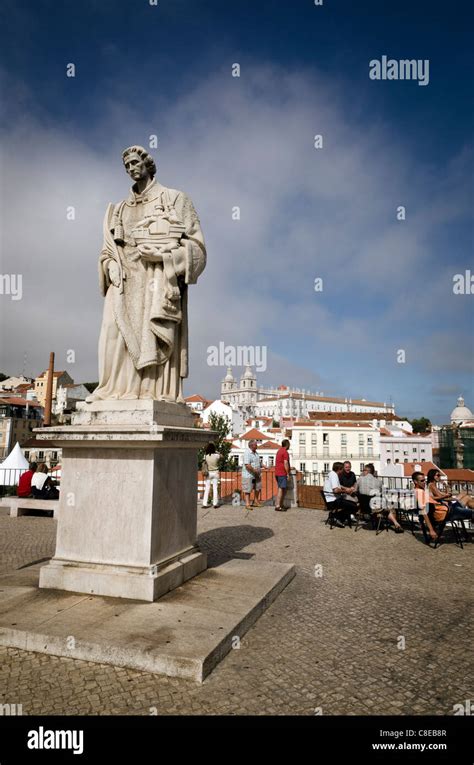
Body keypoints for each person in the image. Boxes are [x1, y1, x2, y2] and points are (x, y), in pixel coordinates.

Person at [86, 145, 206, 403]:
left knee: (151, 334)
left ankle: (153, 391)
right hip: (122, 282)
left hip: (157, 278)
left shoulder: (174, 198)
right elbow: (106, 251)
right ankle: (112, 390)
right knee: (111, 331)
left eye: (134, 163)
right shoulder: (117, 209)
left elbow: (197, 248)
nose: (130, 168)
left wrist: (167, 257)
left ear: (147, 164)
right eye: (126, 165)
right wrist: (109, 266)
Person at [359, 463, 404, 533]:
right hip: (374, 508)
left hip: (363, 507)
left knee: (379, 504)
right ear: (373, 472)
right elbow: (381, 493)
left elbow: (355, 490)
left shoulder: (359, 479)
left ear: (367, 471)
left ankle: (377, 523)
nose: (362, 472)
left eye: (363, 470)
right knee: (389, 506)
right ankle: (396, 523)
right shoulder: (379, 481)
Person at [323, 462, 356, 526]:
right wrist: (345, 491)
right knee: (353, 506)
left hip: (329, 499)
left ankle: (338, 517)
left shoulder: (330, 474)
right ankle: (335, 516)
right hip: (333, 501)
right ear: (339, 469)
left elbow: (337, 487)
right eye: (342, 469)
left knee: (350, 502)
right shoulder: (334, 476)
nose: (343, 470)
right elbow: (335, 490)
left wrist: (345, 489)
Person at [412, 471, 438, 541]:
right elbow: (423, 511)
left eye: (425, 480)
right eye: (422, 480)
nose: (424, 482)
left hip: (442, 509)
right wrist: (431, 530)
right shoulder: (419, 492)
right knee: (466, 499)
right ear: (415, 481)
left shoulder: (419, 490)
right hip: (444, 512)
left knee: (465, 498)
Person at [242, 439, 262, 510]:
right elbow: (247, 465)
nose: (257, 446)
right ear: (251, 445)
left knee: (258, 488)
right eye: (256, 444)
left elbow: (258, 462)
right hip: (249, 475)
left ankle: (256, 501)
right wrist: (254, 471)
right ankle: (247, 504)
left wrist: (263, 466)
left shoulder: (256, 453)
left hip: (257, 475)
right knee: (248, 489)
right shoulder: (247, 453)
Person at [202, 442, 221, 508]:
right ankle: (215, 504)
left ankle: (204, 504)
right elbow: (222, 456)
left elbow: (204, 462)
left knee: (207, 488)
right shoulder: (216, 456)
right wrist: (216, 451)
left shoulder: (205, 456)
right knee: (215, 488)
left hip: (208, 473)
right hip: (215, 472)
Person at [274, 439, 291, 512]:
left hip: (277, 472)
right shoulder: (285, 452)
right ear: (287, 445)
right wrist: (287, 473)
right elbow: (285, 463)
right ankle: (278, 506)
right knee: (281, 489)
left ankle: (280, 504)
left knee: (282, 489)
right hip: (282, 473)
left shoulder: (279, 451)